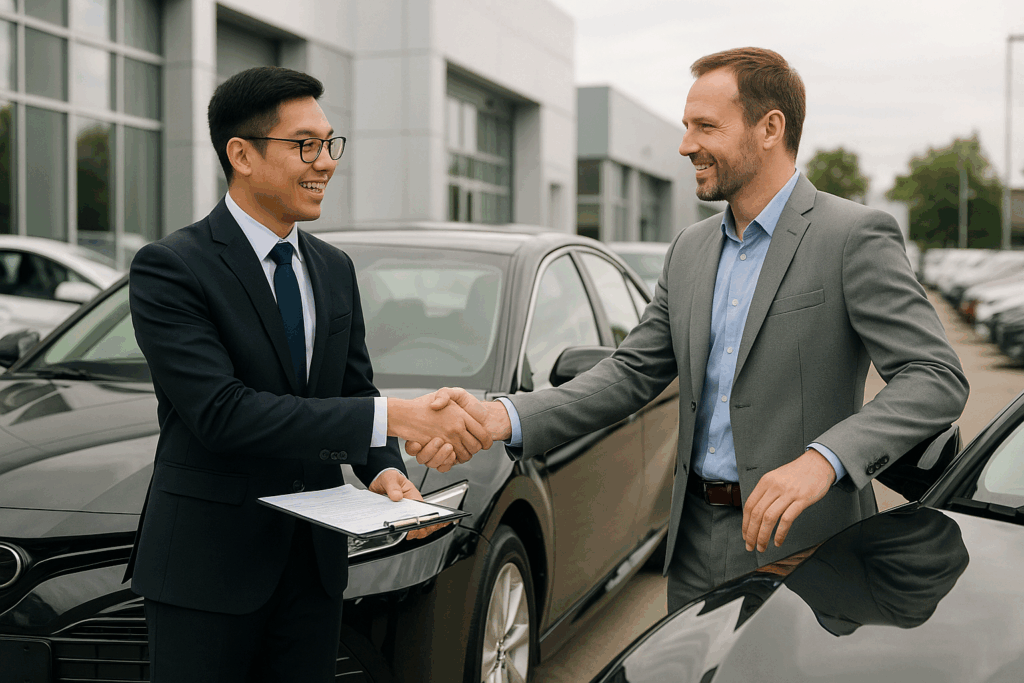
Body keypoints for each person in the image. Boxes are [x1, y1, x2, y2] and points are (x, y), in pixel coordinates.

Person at [412, 47, 969, 613]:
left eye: (706, 126)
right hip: (694, 541)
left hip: (809, 544)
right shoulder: (689, 249)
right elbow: (630, 374)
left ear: (770, 128)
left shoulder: (852, 234)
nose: (685, 145)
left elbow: (935, 376)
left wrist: (822, 460)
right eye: (685, 126)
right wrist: (500, 416)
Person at [125, 66, 491, 682]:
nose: (325, 162)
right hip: (209, 568)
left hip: (314, 570)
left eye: (328, 144)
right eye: (305, 146)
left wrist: (385, 471)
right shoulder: (172, 268)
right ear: (240, 154)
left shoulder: (333, 268)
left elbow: (352, 392)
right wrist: (396, 416)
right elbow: (222, 413)